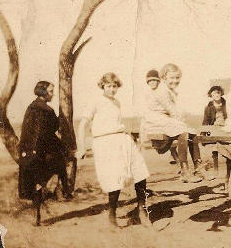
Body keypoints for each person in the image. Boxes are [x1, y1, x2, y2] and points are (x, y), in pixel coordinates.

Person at [75, 73, 151, 228]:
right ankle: (112, 217)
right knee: (114, 178)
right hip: (105, 142)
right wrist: (82, 146)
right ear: (102, 86)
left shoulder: (116, 102)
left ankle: (141, 210)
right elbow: (82, 124)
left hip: (122, 139)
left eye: (114, 86)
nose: (112, 89)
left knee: (140, 171)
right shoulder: (95, 101)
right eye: (108, 86)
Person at [141, 63, 209, 183]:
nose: (175, 81)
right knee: (184, 131)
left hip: (164, 120)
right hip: (155, 121)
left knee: (191, 133)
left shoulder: (170, 91)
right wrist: (182, 123)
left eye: (177, 78)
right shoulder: (162, 91)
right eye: (171, 78)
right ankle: (184, 170)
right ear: (164, 78)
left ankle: (198, 167)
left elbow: (176, 112)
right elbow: (172, 111)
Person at [18, 81, 72, 226]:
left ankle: (37, 215)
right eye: (50, 91)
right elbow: (50, 129)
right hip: (42, 151)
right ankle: (64, 191)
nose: (52, 94)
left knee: (37, 182)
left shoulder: (31, 108)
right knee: (58, 167)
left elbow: (28, 132)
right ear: (43, 92)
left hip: (29, 152)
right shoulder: (46, 110)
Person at [202, 85, 231, 204]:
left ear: (221, 94)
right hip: (215, 131)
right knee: (211, 153)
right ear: (211, 95)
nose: (216, 95)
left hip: (227, 130)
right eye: (214, 93)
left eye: (218, 93)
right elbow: (206, 121)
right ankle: (212, 171)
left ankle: (228, 182)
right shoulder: (209, 107)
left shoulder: (227, 104)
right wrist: (204, 134)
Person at [140, 69, 179, 165]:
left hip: (164, 117)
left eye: (154, 80)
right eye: (150, 81)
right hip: (153, 119)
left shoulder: (162, 92)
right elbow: (146, 109)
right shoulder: (147, 94)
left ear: (158, 81)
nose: (152, 82)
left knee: (172, 136)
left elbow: (170, 108)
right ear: (147, 82)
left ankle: (178, 162)